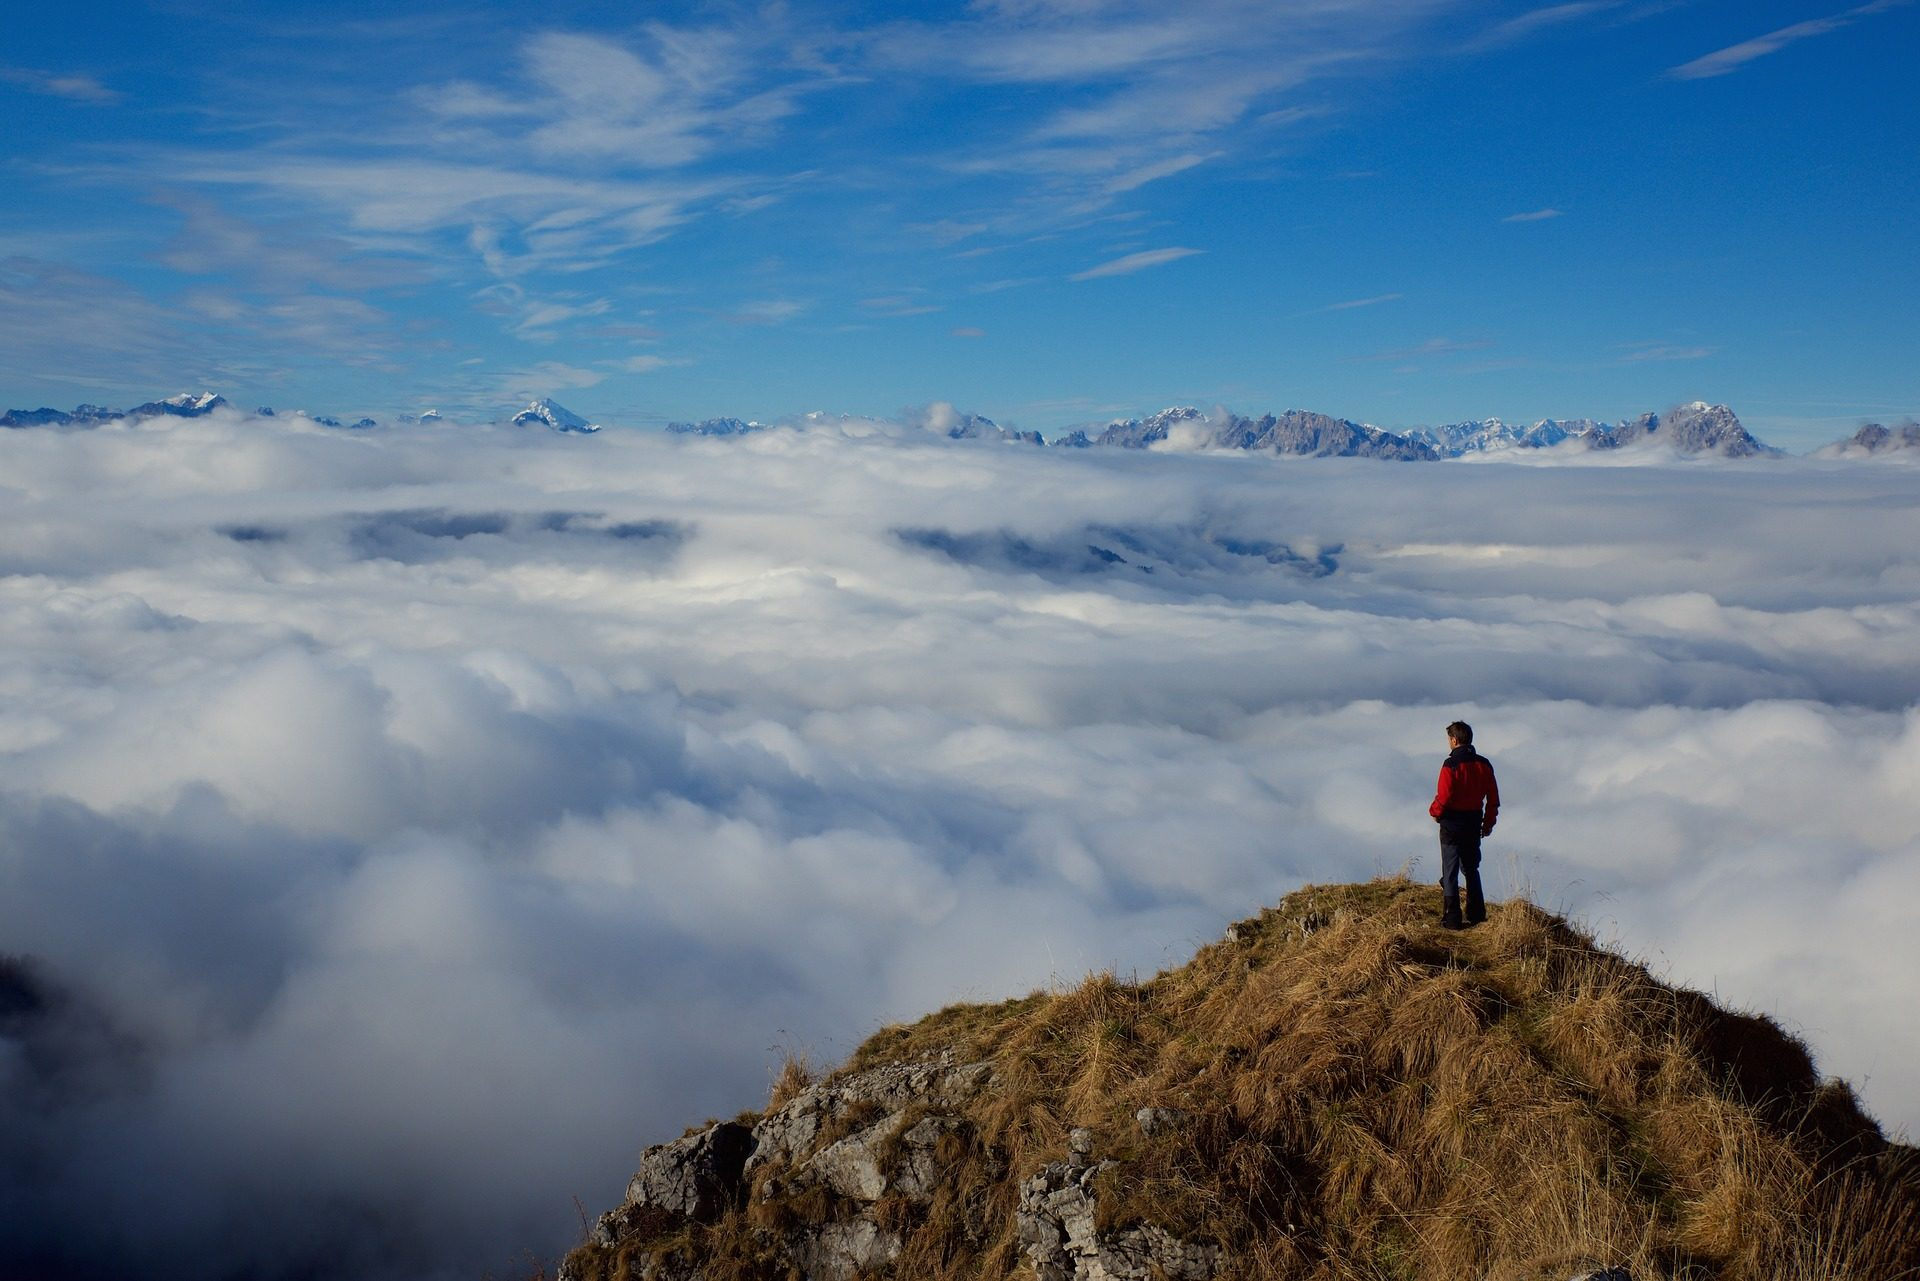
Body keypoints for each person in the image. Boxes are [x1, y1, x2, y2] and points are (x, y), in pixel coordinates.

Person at [1429, 720, 1499, 930]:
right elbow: (1493, 799)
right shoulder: (1484, 764)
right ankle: (1477, 913)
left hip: (1451, 824)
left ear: (1454, 740)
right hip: (1473, 823)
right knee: (1471, 868)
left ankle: (1452, 918)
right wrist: (1488, 824)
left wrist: (1434, 812)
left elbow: (1445, 795)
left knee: (1450, 870)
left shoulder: (1450, 765)